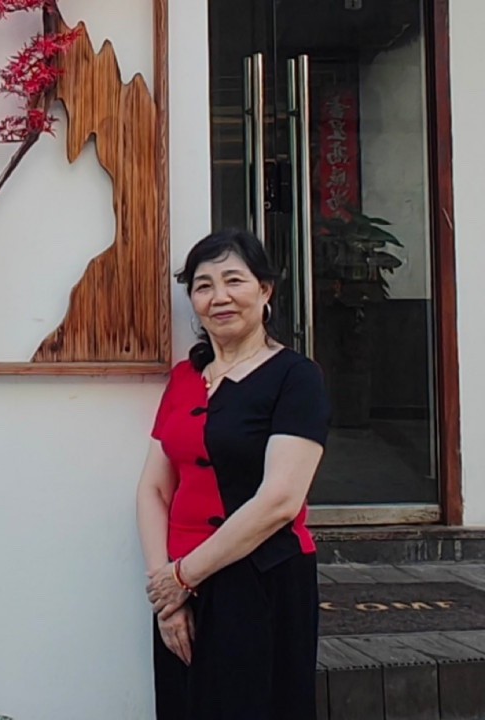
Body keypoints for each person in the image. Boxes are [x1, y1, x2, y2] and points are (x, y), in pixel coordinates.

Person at [136, 228, 329, 720]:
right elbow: (154, 488)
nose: (218, 297)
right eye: (203, 286)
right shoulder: (184, 378)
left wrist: (184, 577)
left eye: (233, 281)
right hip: (180, 587)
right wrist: (166, 593)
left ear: (264, 290)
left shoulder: (296, 377)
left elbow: (280, 500)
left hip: (261, 581)